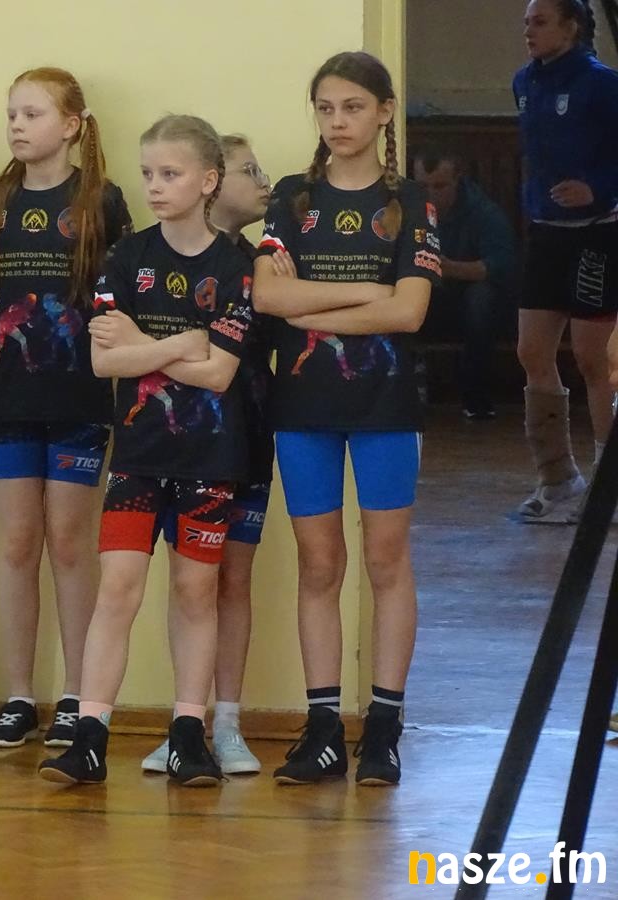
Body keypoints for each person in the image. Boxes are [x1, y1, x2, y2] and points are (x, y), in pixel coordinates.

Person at [38, 115, 254, 787]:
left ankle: (188, 733)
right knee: (118, 588)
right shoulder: (127, 259)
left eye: (171, 174)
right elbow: (106, 363)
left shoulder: (236, 265)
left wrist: (145, 346)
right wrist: (183, 342)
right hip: (137, 456)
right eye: (148, 174)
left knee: (195, 591)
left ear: (208, 181)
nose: (155, 186)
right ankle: (90, 737)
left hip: (210, 457)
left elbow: (220, 375)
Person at [253, 51, 439, 787]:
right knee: (320, 563)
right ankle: (324, 726)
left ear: (384, 112)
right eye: (326, 108)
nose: (338, 122)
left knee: (386, 560)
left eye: (353, 107)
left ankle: (384, 726)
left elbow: (411, 311)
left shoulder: (411, 202)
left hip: (385, 404)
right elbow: (269, 298)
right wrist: (370, 292)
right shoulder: (291, 199)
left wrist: (315, 305)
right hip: (303, 406)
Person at [0, 68, 132, 749]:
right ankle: (19, 695)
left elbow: (118, 296)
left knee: (69, 543)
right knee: (17, 543)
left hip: (79, 394)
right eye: (12, 113)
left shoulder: (103, 201)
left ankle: (75, 693)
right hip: (9, 392)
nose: (17, 124)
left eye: (32, 114)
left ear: (70, 126)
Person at [141, 134, 273, 777]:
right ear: (214, 182)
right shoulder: (156, 258)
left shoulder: (260, 263)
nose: (265, 181)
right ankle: (185, 724)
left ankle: (228, 724)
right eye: (251, 170)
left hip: (248, 437)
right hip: (182, 444)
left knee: (233, 578)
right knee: (190, 581)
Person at [512, 0, 618, 522]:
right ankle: (557, 479)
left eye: (540, 22)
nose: (528, 31)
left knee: (594, 360)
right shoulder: (524, 82)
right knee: (532, 351)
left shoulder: (603, 84)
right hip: (547, 234)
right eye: (526, 23)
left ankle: (608, 485)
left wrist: (597, 187)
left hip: (599, 233)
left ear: (571, 27)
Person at [412, 149, 518, 419]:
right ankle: (402, 390)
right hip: (424, 298)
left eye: (439, 186)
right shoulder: (404, 209)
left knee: (481, 298)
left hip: (469, 305)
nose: (430, 195)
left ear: (458, 180)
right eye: (422, 187)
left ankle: (476, 395)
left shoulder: (483, 213)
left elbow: (502, 266)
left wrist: (447, 268)